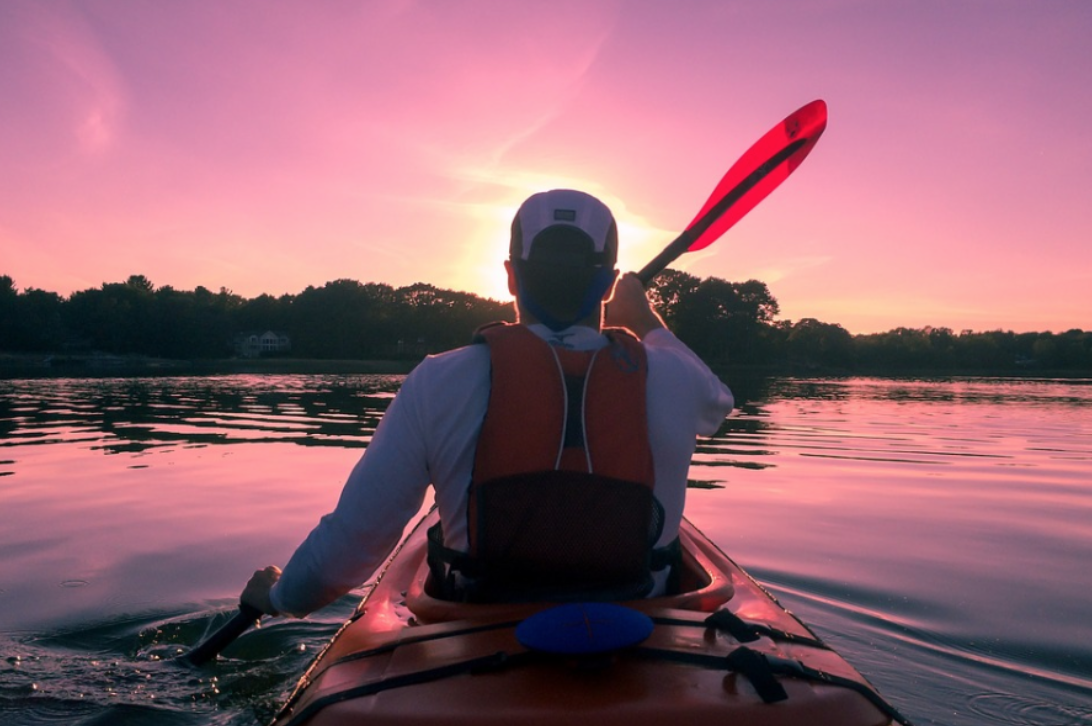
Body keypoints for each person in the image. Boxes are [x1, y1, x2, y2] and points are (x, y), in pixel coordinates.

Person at [241, 189, 734, 615]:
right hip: (643, 628)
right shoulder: (673, 377)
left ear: (511, 277)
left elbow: (351, 546)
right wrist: (644, 318)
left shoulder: (438, 380)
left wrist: (280, 597)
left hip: (481, 629)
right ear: (607, 284)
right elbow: (719, 403)